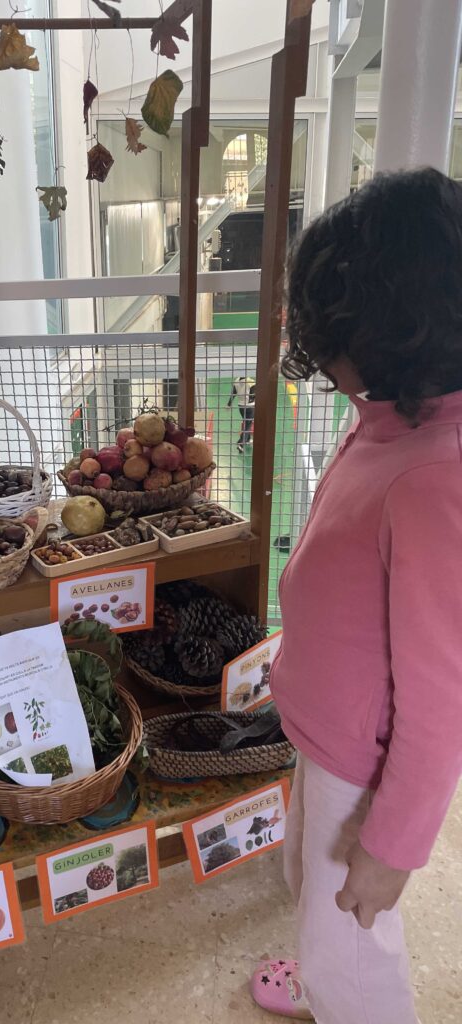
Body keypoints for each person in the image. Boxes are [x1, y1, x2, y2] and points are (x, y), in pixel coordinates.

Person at [250, 167, 462, 1023]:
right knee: (308, 879)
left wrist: (395, 846)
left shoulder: (435, 475)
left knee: (351, 928)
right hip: (328, 734)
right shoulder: (391, 423)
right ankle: (321, 978)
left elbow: (443, 699)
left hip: (365, 763)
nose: (325, 358)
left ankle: (345, 994)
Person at [228, 375, 256, 453]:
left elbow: (233, 393)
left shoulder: (236, 380)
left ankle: (246, 439)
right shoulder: (251, 382)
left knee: (246, 422)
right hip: (250, 406)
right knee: (248, 425)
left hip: (241, 406)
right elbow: (254, 395)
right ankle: (241, 444)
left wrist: (229, 404)